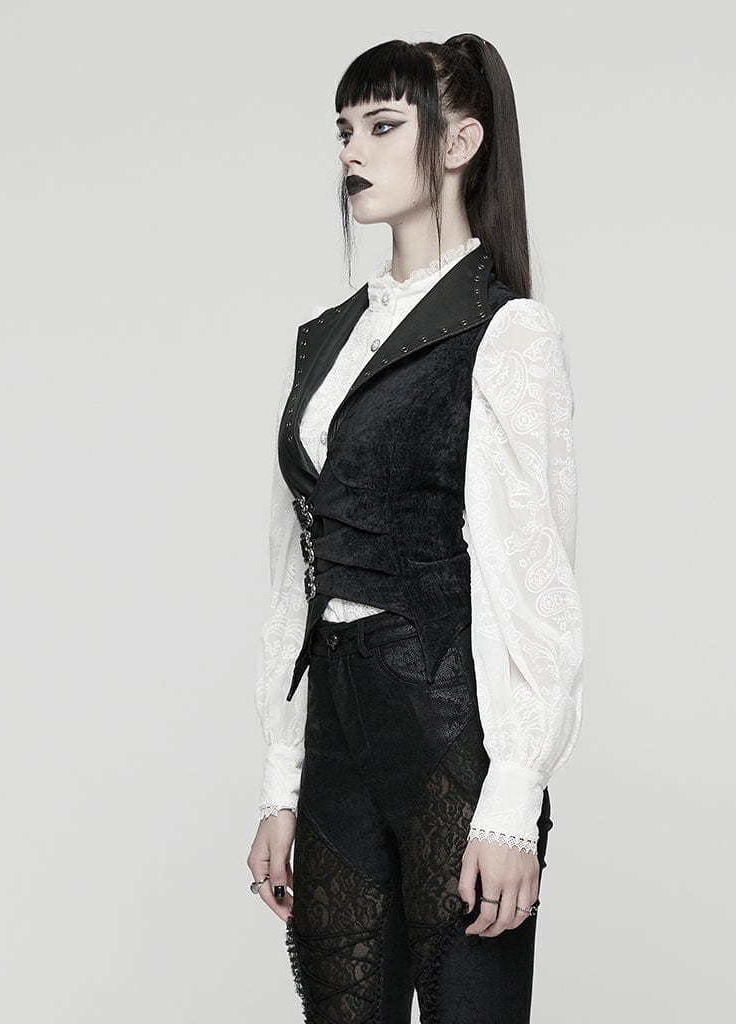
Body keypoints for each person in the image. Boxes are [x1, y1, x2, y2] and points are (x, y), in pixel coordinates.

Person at [246, 34, 583, 1024]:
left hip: (448, 731)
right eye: (344, 129)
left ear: (460, 143)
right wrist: (281, 782)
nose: (352, 149)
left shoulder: (505, 332)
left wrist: (513, 796)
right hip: (337, 730)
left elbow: (532, 578)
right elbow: (295, 574)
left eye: (384, 125)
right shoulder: (323, 337)